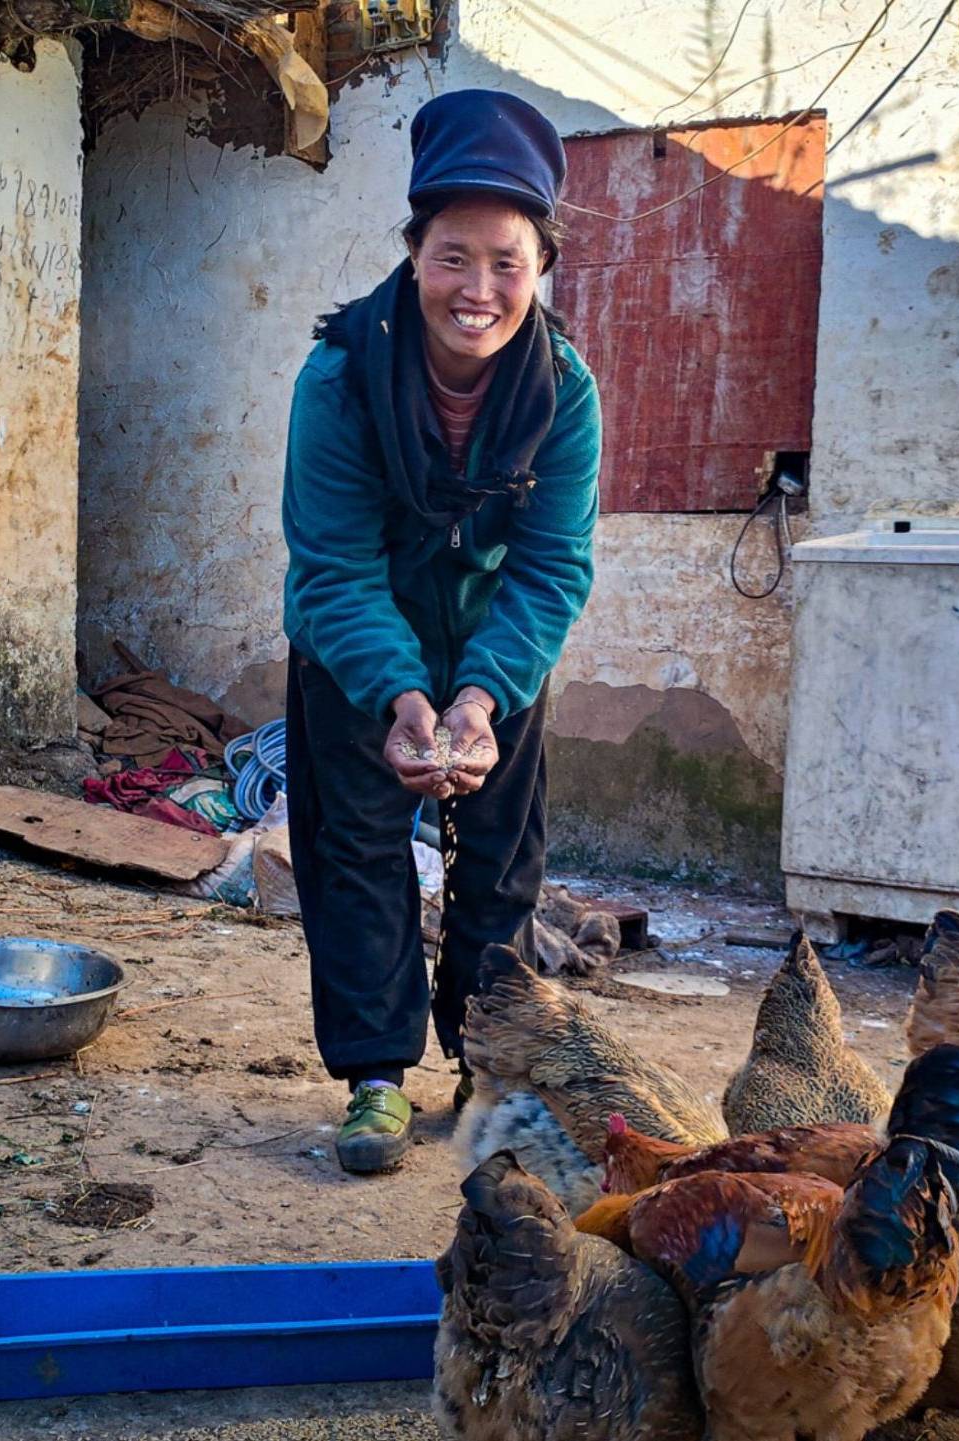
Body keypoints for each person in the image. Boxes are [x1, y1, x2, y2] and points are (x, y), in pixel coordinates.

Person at [279, 89, 602, 1175]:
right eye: (453, 256)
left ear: (541, 268)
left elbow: (553, 565)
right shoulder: (339, 381)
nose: (479, 289)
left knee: (499, 863)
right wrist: (399, 697)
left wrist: (477, 699)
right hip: (353, 652)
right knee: (356, 851)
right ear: (415, 253)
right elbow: (331, 565)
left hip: (497, 655)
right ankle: (376, 1076)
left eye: (507, 262)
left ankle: (485, 1060)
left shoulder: (564, 393)